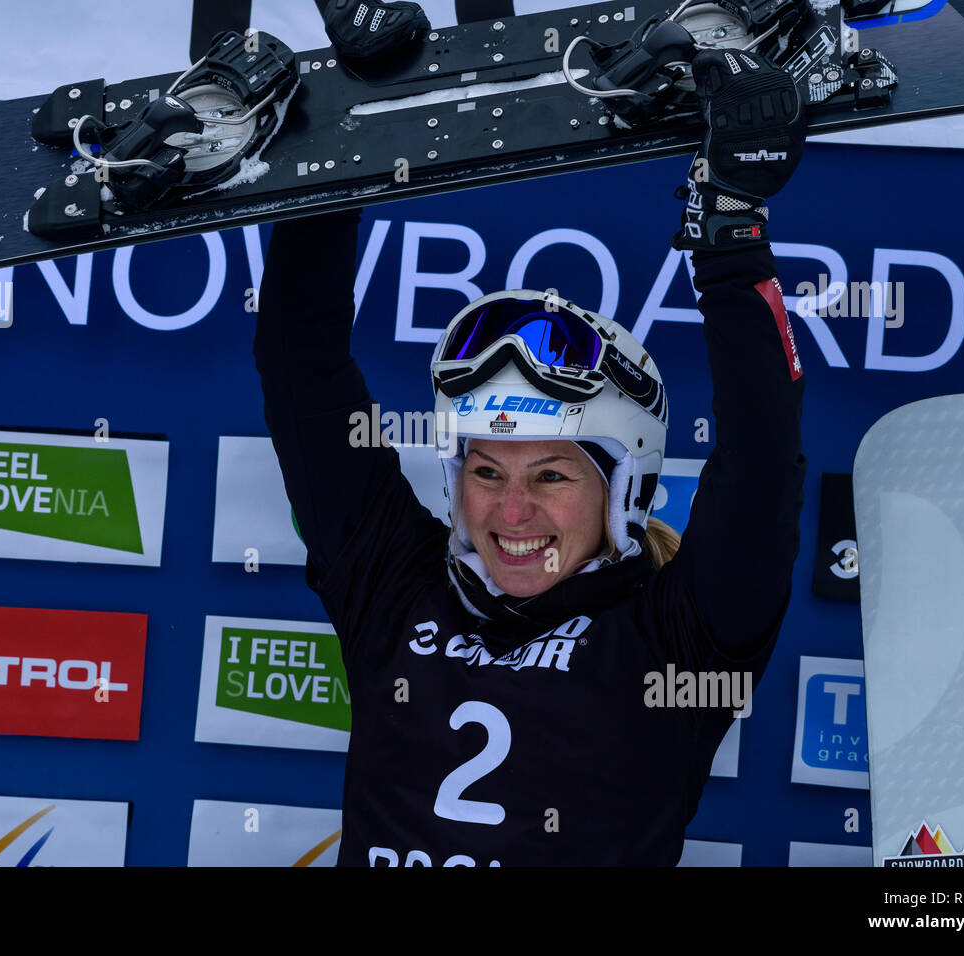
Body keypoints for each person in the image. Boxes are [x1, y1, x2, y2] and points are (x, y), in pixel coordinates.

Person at [253, 48, 808, 866]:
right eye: (486, 471)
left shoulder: (680, 639)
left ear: (624, 488)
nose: (510, 513)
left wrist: (731, 231)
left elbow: (761, 464)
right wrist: (334, 157)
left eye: (551, 474)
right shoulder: (392, 584)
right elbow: (301, 363)